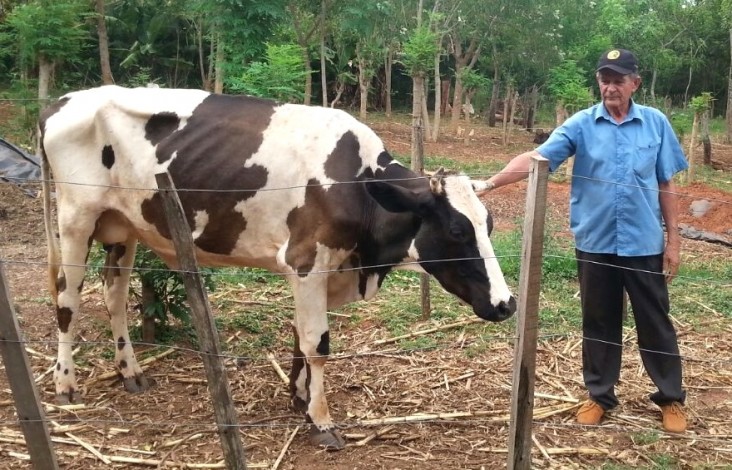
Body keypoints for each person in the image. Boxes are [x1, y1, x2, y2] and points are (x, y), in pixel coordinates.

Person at [482, 48, 689, 433]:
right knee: (598, 321)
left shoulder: (655, 123)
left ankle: (671, 398)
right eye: (604, 79)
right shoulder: (581, 124)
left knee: (655, 321)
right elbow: (536, 158)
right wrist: (488, 184)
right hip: (595, 241)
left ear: (635, 84)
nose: (610, 86)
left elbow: (666, 183)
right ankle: (599, 394)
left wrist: (673, 239)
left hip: (644, 243)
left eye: (618, 79)